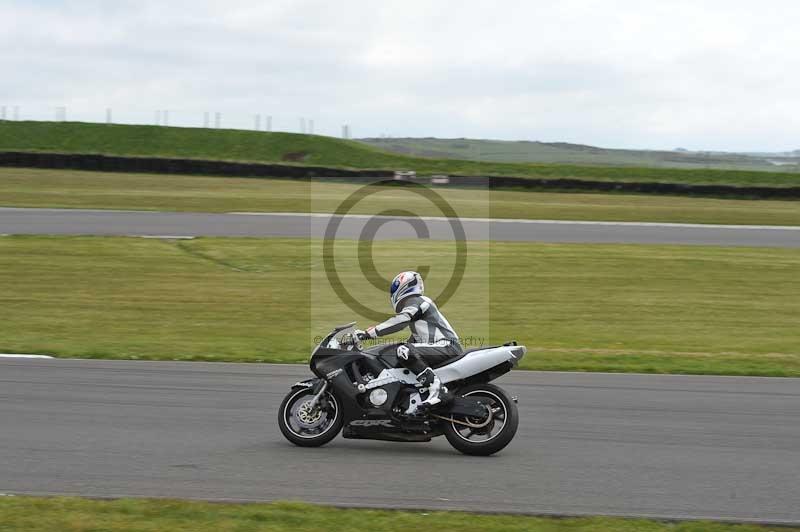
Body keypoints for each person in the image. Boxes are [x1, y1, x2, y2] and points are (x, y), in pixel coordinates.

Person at [355, 271, 462, 408]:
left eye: (394, 289)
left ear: (404, 287)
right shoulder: (419, 321)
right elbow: (412, 343)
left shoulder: (416, 301)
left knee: (403, 350)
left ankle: (438, 389)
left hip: (447, 346)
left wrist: (369, 333)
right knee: (402, 351)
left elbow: (401, 321)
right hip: (442, 347)